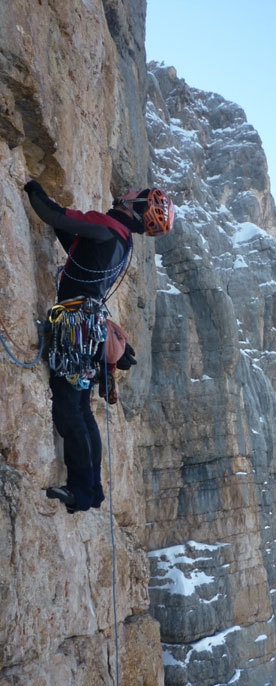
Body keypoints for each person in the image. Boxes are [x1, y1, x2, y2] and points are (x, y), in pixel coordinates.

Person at [24, 180, 174, 513]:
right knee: (81, 409)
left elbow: (52, 215)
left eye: (138, 194)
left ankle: (82, 490)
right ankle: (91, 488)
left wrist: (31, 186)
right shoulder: (120, 240)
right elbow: (75, 244)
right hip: (88, 330)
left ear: (138, 207)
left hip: (76, 329)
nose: (131, 191)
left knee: (69, 407)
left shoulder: (107, 226)